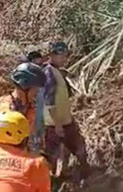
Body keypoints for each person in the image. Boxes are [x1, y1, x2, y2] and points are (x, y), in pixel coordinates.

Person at [43, 41, 90, 176]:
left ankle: (87, 179)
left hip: (65, 121)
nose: (64, 58)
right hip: (54, 124)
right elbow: (49, 101)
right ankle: (51, 183)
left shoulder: (57, 72)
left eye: (65, 55)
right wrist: (57, 124)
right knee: (51, 156)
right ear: (51, 55)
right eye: (61, 55)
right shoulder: (48, 73)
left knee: (79, 147)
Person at [0, 62, 47, 152]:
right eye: (35, 89)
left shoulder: (28, 106)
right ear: (24, 87)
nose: (37, 93)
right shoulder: (7, 110)